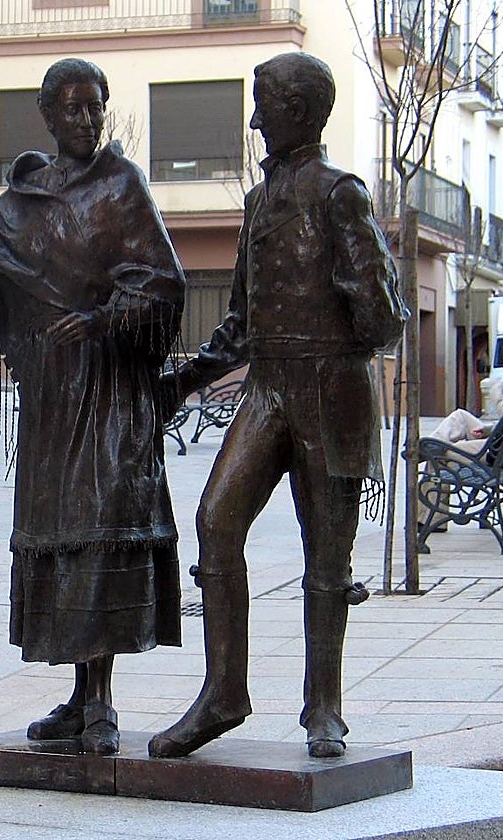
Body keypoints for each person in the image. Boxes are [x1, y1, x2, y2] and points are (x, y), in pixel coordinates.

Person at [149, 52, 408, 761]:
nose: (256, 120)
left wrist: (340, 326)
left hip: (330, 392)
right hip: (267, 388)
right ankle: (223, 692)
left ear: (302, 111)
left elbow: (386, 317)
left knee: (327, 558)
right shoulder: (261, 200)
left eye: (265, 105)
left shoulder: (341, 194)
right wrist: (186, 381)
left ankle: (324, 706)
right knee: (215, 517)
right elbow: (240, 317)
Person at [0, 57, 185, 756]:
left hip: (109, 391)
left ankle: (100, 702)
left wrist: (106, 319)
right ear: (47, 114)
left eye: (94, 106)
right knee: (64, 535)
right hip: (52, 391)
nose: (85, 120)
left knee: (101, 531)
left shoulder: (121, 186)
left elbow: (167, 286)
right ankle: (79, 697)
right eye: (70, 108)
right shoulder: (20, 202)